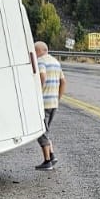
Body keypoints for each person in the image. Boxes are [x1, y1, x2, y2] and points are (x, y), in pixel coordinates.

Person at [34, 40, 65, 170]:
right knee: (45, 130)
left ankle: (47, 161)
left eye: (35, 51)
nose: (34, 54)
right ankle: (51, 156)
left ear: (40, 51)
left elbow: (42, 75)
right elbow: (63, 81)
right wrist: (58, 98)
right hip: (53, 103)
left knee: (40, 132)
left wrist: (38, 91)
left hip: (44, 103)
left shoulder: (41, 61)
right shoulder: (56, 62)